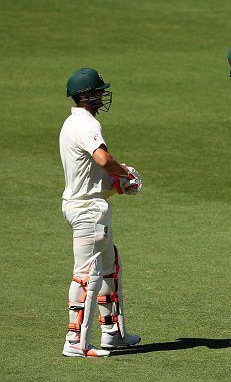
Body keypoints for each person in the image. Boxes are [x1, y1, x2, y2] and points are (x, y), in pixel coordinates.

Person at [59, 68, 143, 357]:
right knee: (87, 275)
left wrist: (117, 184)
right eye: (99, 91)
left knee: (109, 265)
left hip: (89, 206)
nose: (102, 95)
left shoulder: (73, 123)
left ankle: (112, 333)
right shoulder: (85, 124)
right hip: (87, 212)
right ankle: (75, 341)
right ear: (87, 95)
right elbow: (103, 159)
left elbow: (90, 176)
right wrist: (126, 175)